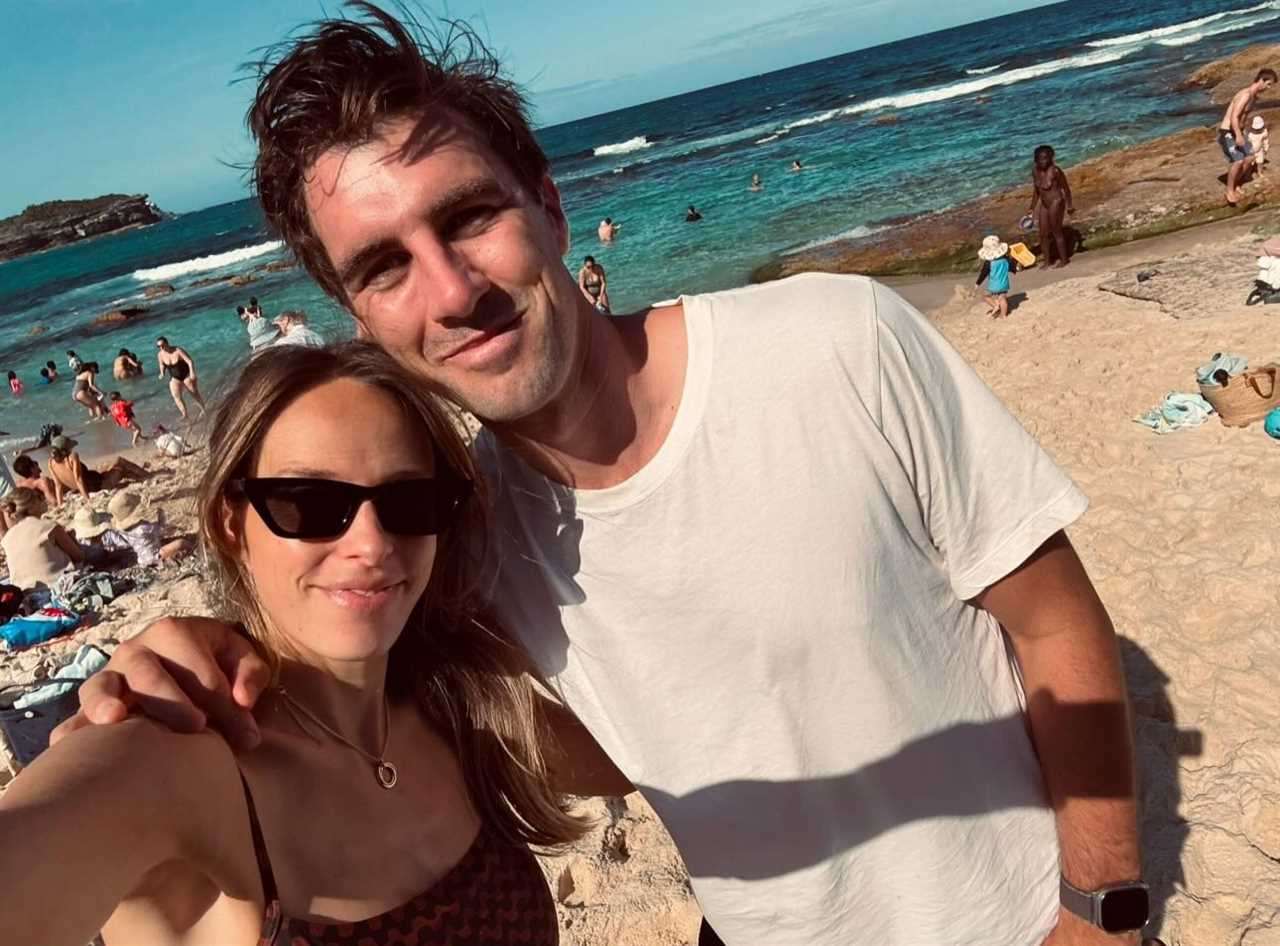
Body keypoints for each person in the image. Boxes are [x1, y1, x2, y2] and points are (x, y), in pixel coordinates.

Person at [64, 8, 1147, 945]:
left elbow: (1054, 623)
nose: (449, 290)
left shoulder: (836, 342)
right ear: (360, 315)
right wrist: (216, 665)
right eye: (384, 265)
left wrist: (1099, 905)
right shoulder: (453, 531)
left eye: (468, 216)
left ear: (548, 204)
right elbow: (578, 740)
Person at [0, 342, 590, 946]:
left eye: (409, 501)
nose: (373, 544)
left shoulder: (461, 712)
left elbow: (643, 760)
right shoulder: (185, 758)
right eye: (310, 503)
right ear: (231, 524)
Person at [0, 487, 85, 590]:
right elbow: (79, 556)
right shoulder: (49, 526)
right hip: (55, 586)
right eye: (39, 497)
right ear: (31, 506)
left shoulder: (8, 537)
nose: (43, 499)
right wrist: (72, 539)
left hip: (24, 592)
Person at [1219, 68, 1277, 205]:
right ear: (1261, 81)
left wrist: (1244, 131)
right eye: (1268, 84)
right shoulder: (1245, 95)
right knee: (1238, 161)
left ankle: (1237, 183)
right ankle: (1229, 190)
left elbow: (1243, 118)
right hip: (1228, 131)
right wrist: (1238, 135)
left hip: (1240, 131)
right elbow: (1234, 116)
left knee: (1251, 157)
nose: (1269, 88)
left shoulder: (1254, 97)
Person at [99, 489, 193, 567]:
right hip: (156, 556)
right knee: (180, 542)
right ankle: (194, 546)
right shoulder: (143, 528)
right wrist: (161, 516)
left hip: (142, 559)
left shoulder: (123, 530)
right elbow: (162, 530)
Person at [47, 435, 149, 501]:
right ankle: (148, 475)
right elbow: (78, 479)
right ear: (66, 449)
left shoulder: (51, 463)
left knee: (110, 466)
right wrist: (87, 500)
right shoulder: (72, 457)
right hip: (100, 485)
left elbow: (58, 485)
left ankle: (141, 477)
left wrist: (60, 505)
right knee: (120, 461)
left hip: (91, 484)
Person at [1027, 144, 1074, 268]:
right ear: (1035, 160)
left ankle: (1064, 260)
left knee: (1056, 231)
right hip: (1044, 204)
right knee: (1042, 234)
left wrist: (1069, 205)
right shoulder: (1035, 171)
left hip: (1056, 202)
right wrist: (1031, 208)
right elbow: (1036, 191)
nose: (1043, 161)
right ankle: (1047, 261)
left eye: (1046, 158)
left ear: (1051, 158)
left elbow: (1066, 189)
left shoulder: (1055, 171)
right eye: (1040, 159)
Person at [155, 336, 207, 420]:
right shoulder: (160, 355)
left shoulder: (178, 351)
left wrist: (192, 373)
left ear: (167, 343)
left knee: (194, 393)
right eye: (159, 346)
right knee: (176, 396)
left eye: (163, 345)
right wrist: (162, 373)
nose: (161, 348)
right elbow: (161, 364)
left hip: (186, 375)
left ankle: (203, 409)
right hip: (175, 377)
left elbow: (189, 361)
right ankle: (185, 415)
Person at [976, 234, 1013, 319]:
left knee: (985, 296)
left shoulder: (989, 263)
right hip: (1004, 284)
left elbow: (983, 273)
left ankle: (995, 306)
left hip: (994, 285)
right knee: (1002, 298)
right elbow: (1011, 267)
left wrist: (977, 283)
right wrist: (1015, 270)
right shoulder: (1006, 260)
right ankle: (1004, 315)